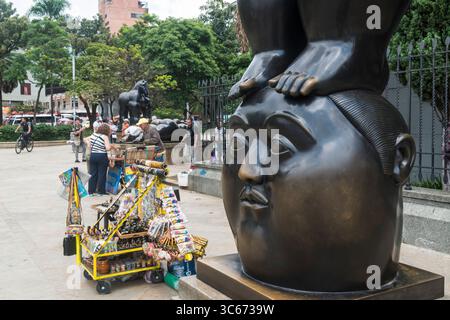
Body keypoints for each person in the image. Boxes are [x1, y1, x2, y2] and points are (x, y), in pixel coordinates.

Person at [88, 123, 117, 196]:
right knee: (102, 174)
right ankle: (101, 191)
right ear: (106, 130)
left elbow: (90, 147)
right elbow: (107, 148)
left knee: (93, 174)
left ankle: (91, 191)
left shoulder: (93, 135)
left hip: (93, 155)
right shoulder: (105, 137)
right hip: (101, 156)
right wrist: (112, 146)